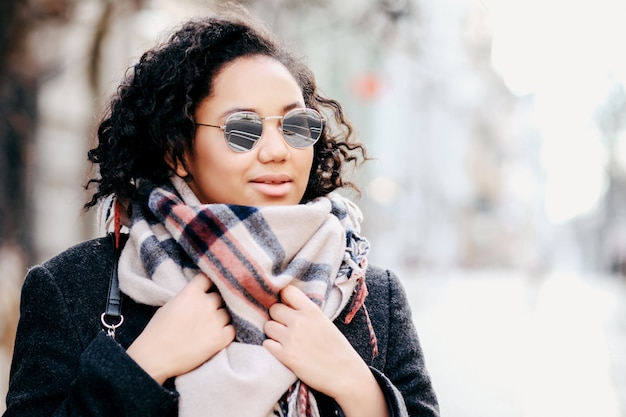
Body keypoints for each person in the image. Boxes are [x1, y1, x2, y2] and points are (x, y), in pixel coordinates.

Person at [3, 6, 439, 417]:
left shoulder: (370, 296)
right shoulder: (72, 288)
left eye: (296, 125)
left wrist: (359, 389)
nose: (276, 151)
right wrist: (140, 367)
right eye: (243, 128)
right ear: (178, 152)